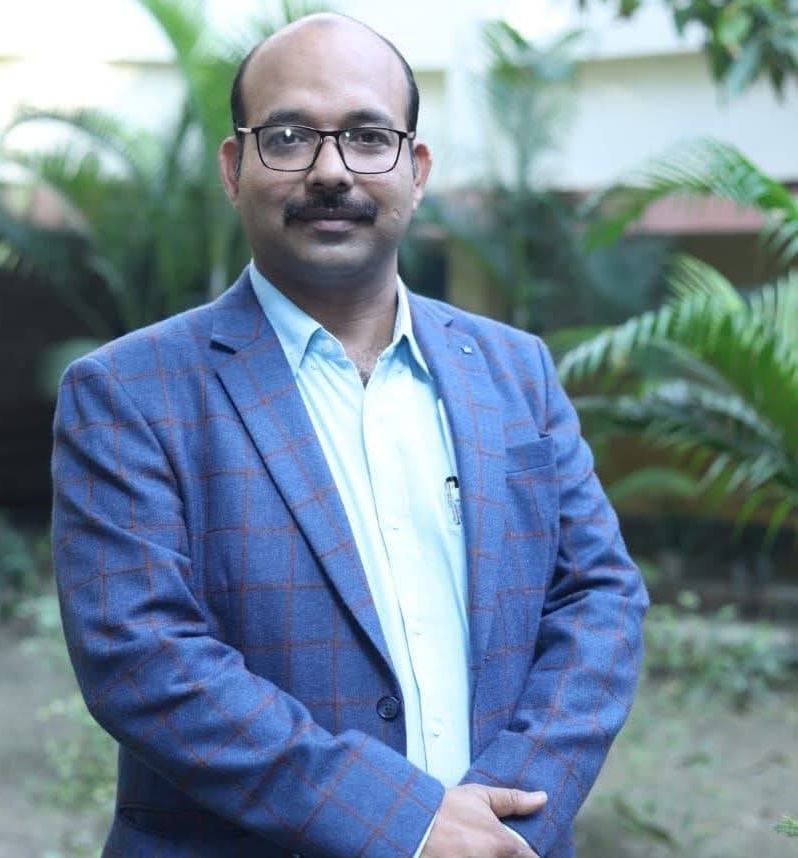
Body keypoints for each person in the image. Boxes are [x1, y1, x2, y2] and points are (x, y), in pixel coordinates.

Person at [52, 12, 648, 858]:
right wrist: (406, 824)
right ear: (233, 168)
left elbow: (599, 600)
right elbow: (142, 661)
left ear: (416, 168)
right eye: (288, 136)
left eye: (369, 136)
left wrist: (506, 818)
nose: (331, 170)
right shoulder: (127, 392)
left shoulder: (515, 371)